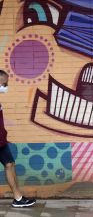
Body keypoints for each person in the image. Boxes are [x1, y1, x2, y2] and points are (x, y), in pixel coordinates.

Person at [0, 70, 36, 208]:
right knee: (9, 165)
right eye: (4, 83)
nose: (5, 86)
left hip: (1, 141)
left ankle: (18, 198)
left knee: (10, 164)